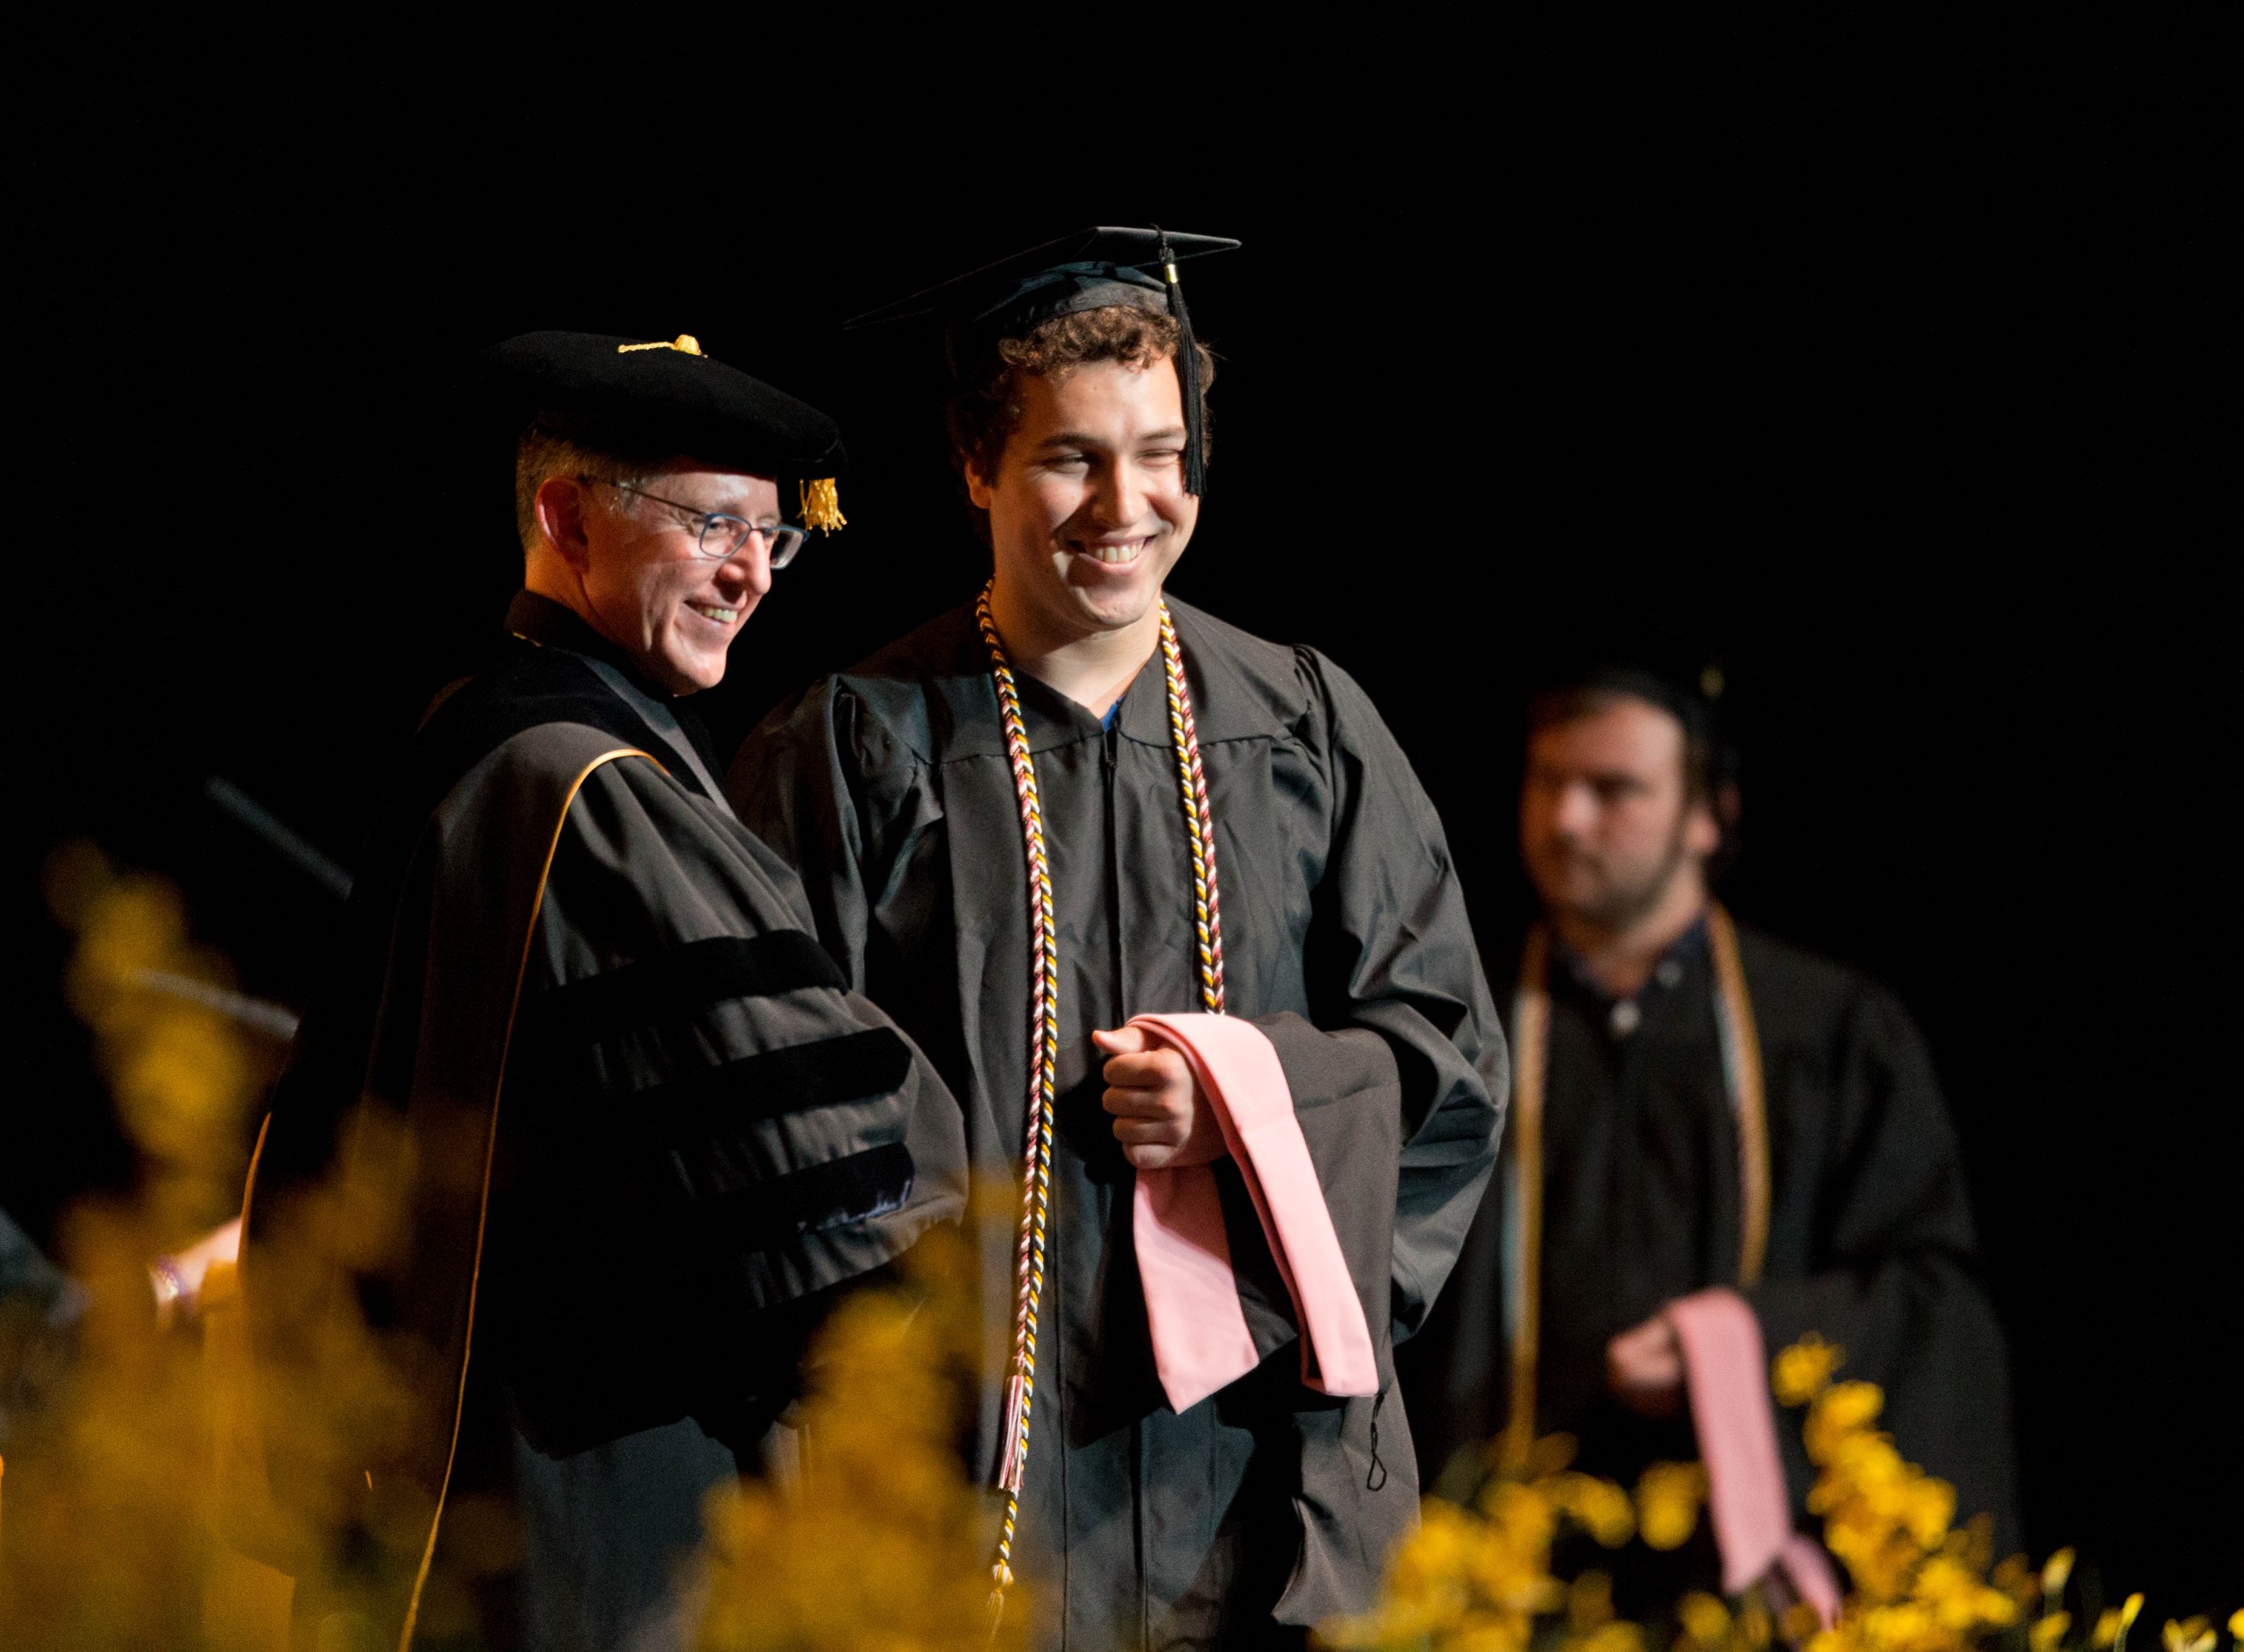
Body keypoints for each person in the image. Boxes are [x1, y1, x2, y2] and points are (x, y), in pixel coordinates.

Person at [732, 229, 1507, 1649]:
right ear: (977, 467)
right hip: (972, 1499)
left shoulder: (1308, 729)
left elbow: (1446, 1069)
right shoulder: (854, 748)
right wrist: (925, 1340)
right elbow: (766, 1107)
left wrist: (1257, 1093)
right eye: (1070, 457)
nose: (1125, 502)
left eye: (1162, 453)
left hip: (1261, 1496)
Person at [238, 332, 969, 1650]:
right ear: (566, 516)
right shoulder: (591, 789)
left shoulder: (484, 730)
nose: (752, 571)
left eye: (771, 537)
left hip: (463, 1475)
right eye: (713, 526)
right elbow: (814, 1166)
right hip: (599, 1492)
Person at [1402, 663, 2020, 1598]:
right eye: (1548, 781)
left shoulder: (1830, 1031)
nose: (1567, 819)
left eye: (1612, 789)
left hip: (1747, 1590)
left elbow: (1931, 1304)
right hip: (1501, 1582)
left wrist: (1741, 1341)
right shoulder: (1447, 1027)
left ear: (1708, 814)